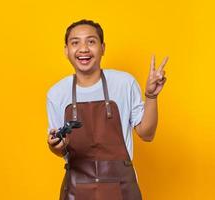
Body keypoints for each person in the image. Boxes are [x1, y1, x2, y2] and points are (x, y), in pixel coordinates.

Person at [46, 19, 168, 200]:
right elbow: (61, 150)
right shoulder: (56, 93)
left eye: (91, 41)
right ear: (66, 50)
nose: (84, 49)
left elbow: (147, 134)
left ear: (102, 48)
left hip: (122, 189)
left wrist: (151, 96)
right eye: (75, 43)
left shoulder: (124, 83)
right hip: (76, 189)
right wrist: (55, 146)